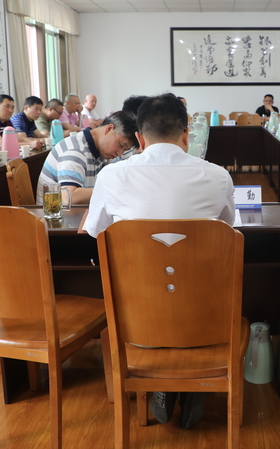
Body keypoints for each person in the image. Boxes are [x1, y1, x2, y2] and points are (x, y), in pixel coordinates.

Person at [85, 93, 234, 430]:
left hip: (138, 320)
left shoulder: (112, 176)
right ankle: (189, 384)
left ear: (139, 138)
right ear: (186, 135)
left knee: (154, 288)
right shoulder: (217, 176)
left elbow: (97, 234)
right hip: (205, 317)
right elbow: (227, 231)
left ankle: (164, 380)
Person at [36, 111, 138, 205]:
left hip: (77, 214)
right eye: (121, 145)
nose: (119, 153)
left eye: (125, 150)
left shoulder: (104, 152)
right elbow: (69, 197)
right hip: (54, 216)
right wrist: (114, 190)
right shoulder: (75, 150)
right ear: (109, 129)